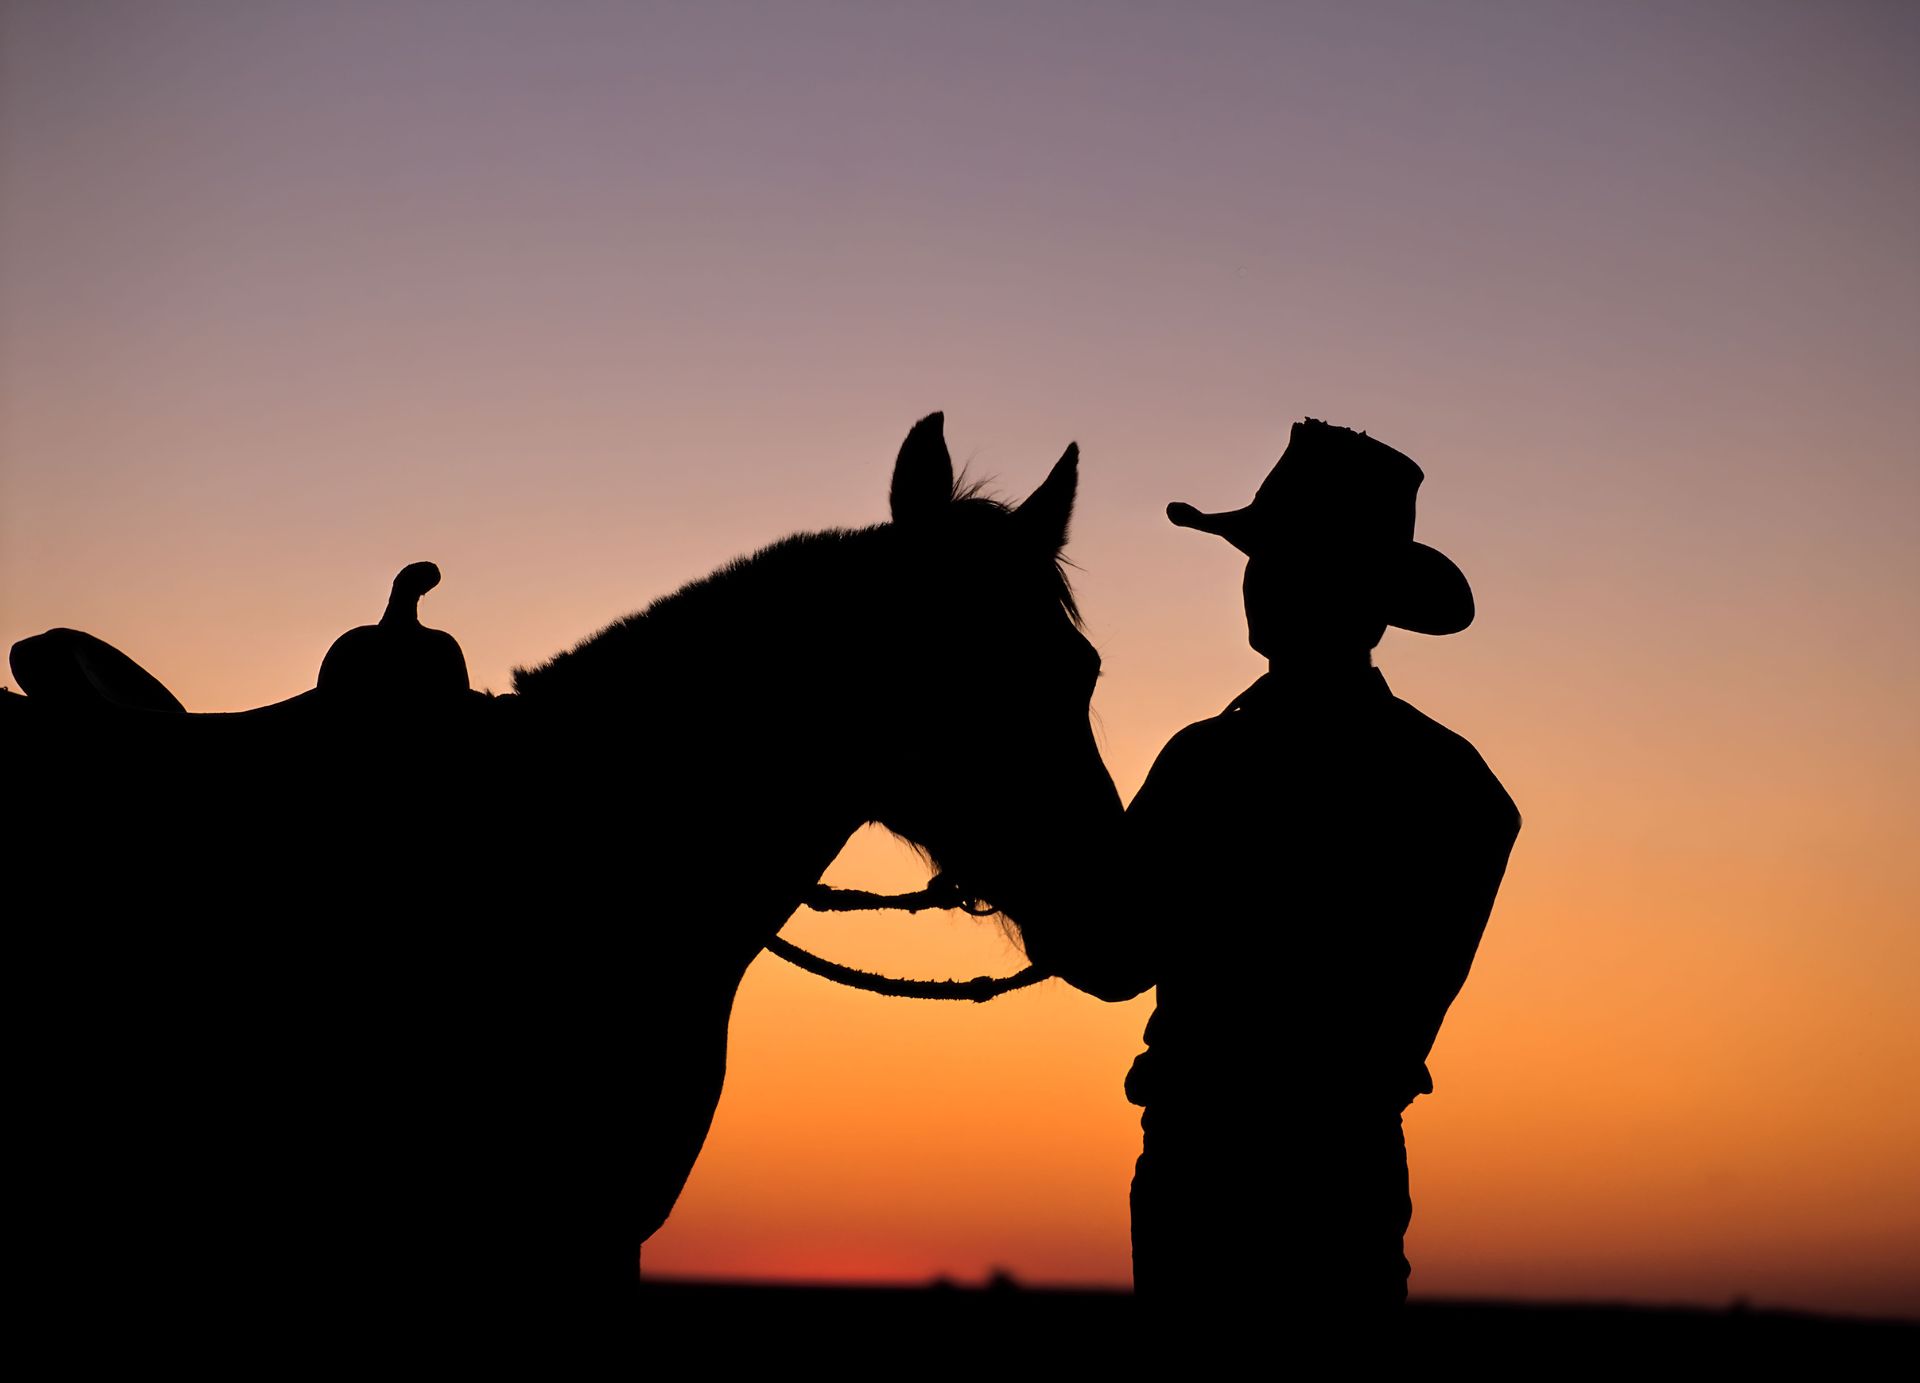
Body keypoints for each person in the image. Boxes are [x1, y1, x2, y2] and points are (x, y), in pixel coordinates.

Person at [1107, 418, 1520, 1331]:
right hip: (1340, 1165)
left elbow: (1111, 955)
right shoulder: (1453, 784)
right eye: (1261, 559)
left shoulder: (1209, 762)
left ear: (1354, 596)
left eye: (1282, 560)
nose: (1259, 580)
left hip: (1211, 1166)